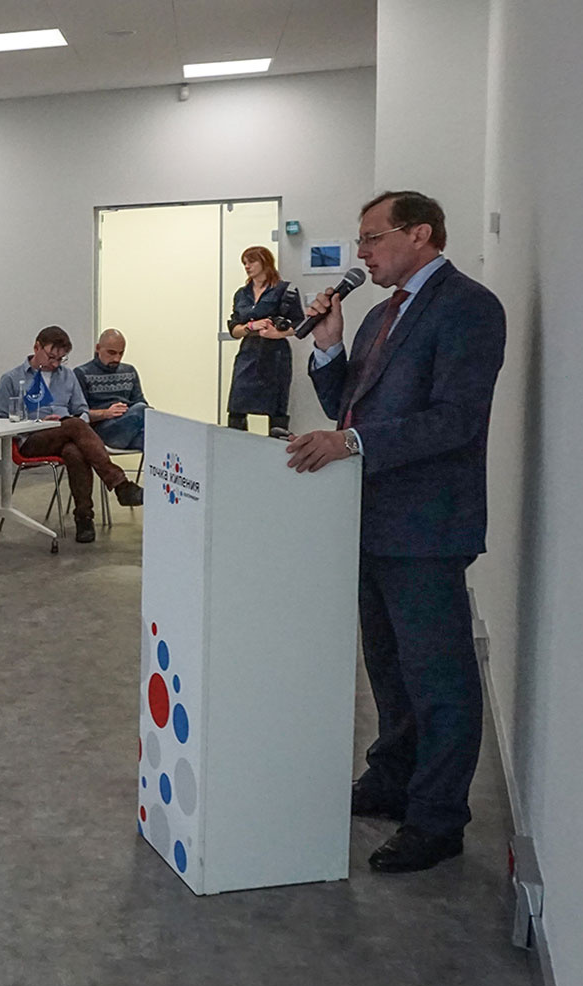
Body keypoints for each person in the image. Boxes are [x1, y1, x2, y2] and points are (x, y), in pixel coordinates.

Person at [287, 190, 506, 874]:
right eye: (360, 240)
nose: (361, 253)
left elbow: (455, 420)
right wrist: (328, 346)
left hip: (428, 525)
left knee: (438, 676)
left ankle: (437, 818)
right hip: (371, 518)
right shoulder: (380, 315)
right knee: (387, 665)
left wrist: (351, 443)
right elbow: (347, 407)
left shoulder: (468, 307)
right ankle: (391, 777)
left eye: (372, 238)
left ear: (420, 234)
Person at [0, 326, 146, 543]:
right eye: (51, 357)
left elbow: (82, 411)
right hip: (32, 439)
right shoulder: (12, 378)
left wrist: (72, 421)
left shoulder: (68, 376)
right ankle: (120, 484)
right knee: (73, 425)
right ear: (36, 347)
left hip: (66, 435)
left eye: (61, 359)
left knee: (74, 450)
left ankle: (84, 518)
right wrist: (36, 423)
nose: (56, 364)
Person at [227, 246, 305, 434]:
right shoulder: (241, 294)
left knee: (276, 407)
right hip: (248, 351)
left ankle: (277, 446)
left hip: (275, 353)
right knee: (237, 406)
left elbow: (299, 323)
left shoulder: (284, 290)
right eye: (245, 263)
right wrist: (251, 326)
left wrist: (277, 333)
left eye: (251, 261)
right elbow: (234, 329)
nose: (247, 266)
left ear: (265, 262)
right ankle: (234, 445)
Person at [72, 329, 149, 451]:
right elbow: (79, 415)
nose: (117, 359)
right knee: (141, 409)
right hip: (101, 430)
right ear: (98, 348)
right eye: (111, 353)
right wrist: (106, 413)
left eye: (121, 353)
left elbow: (140, 401)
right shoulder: (82, 373)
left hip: (129, 425)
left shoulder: (130, 371)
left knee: (160, 438)